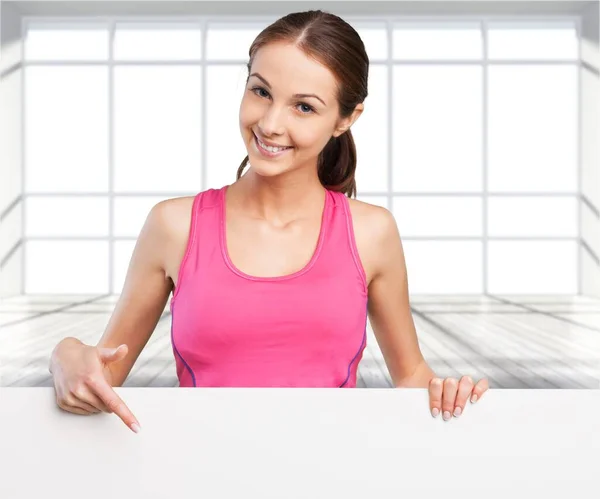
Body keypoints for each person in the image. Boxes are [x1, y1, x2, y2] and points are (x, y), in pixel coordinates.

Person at [49, 10, 488, 434]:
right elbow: (106, 370)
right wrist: (66, 355)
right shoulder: (174, 226)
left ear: (346, 119)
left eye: (303, 107)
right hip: (201, 475)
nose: (271, 124)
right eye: (261, 91)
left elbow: (410, 375)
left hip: (332, 476)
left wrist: (449, 393)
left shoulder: (372, 233)